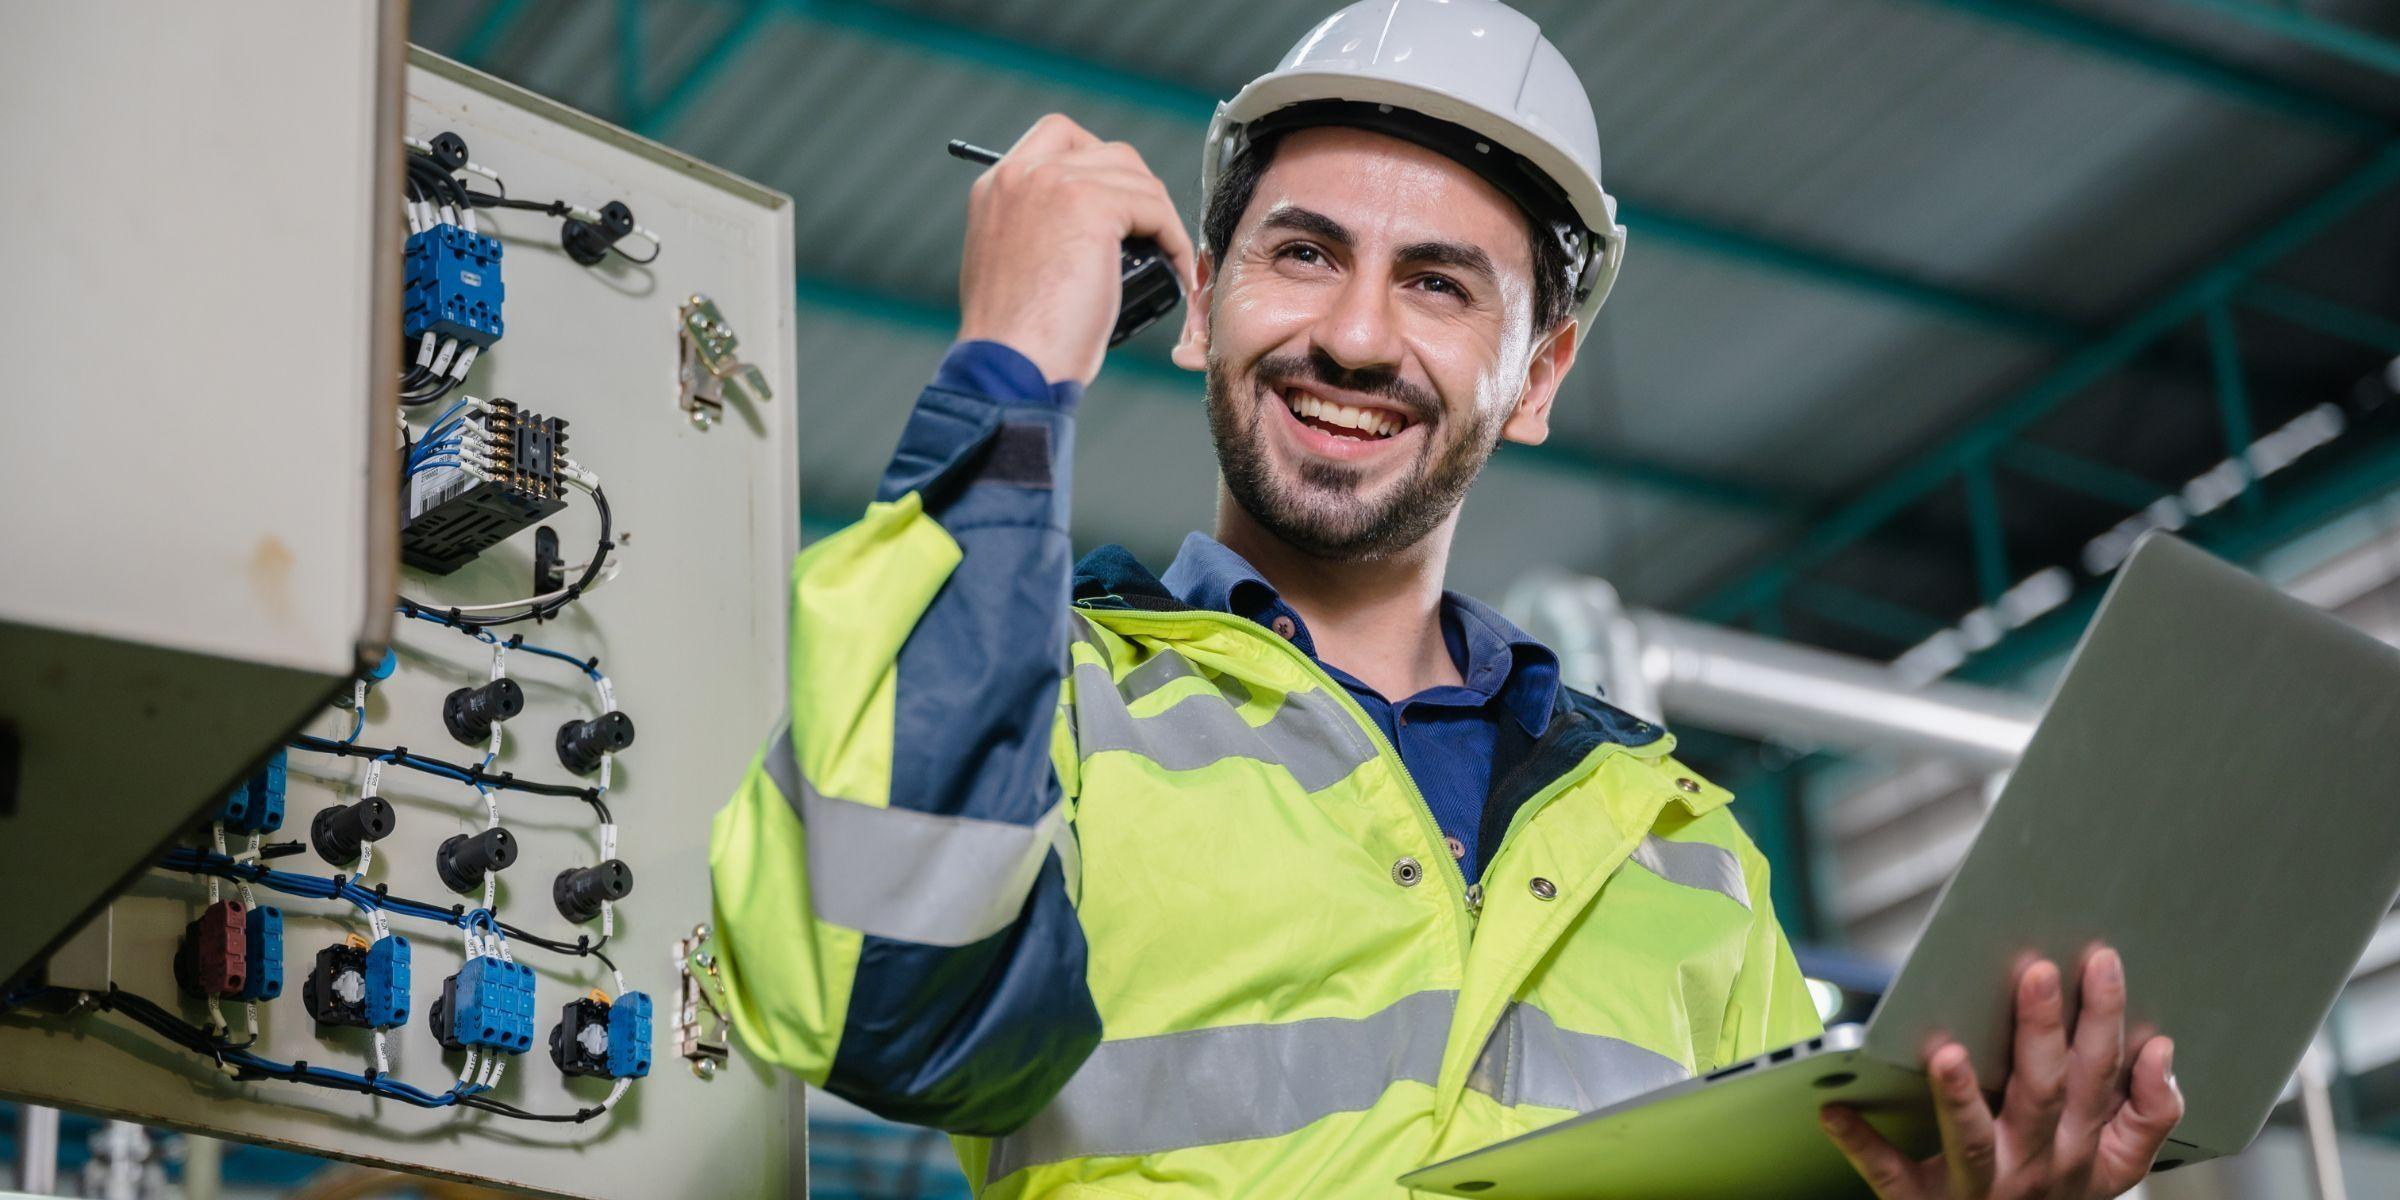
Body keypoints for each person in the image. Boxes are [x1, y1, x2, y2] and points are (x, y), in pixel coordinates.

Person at [708, 1, 2183, 1196]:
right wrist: (1013, 368)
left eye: (1438, 285)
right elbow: (875, 998)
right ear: (1204, 301)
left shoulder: (1685, 858)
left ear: (1535, 379)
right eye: (1302, 254)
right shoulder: (1058, 720)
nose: (1353, 335)